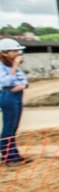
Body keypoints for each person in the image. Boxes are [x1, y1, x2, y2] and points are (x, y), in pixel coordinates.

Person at [0, 38, 32, 166]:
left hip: (17, 95)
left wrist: (23, 85)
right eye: (14, 51)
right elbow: (5, 82)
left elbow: (23, 80)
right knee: (8, 127)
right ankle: (8, 157)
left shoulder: (13, 66)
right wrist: (14, 66)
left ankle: (14, 155)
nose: (18, 53)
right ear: (4, 53)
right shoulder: (3, 66)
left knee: (14, 127)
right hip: (7, 95)